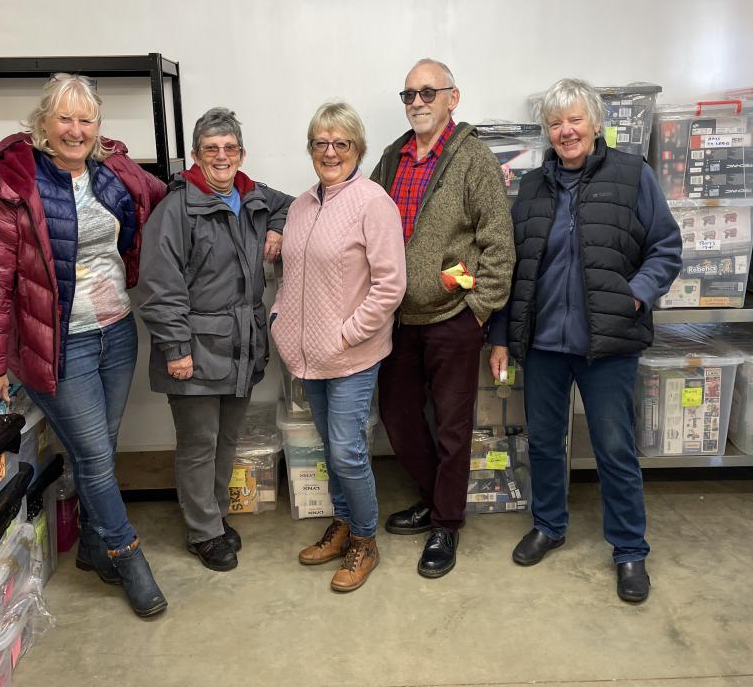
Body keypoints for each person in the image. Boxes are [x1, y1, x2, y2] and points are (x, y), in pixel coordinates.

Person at [0, 73, 168, 618]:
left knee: (97, 446)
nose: (75, 130)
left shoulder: (111, 173)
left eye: (86, 119)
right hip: (57, 343)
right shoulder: (16, 185)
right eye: (64, 118)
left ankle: (90, 547)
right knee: (98, 456)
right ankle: (128, 556)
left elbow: (160, 201)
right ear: (44, 123)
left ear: (98, 127)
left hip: (117, 333)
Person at [488, 77, 682, 604]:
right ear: (547, 132)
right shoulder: (530, 189)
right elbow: (513, 271)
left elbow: (665, 247)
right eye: (555, 123)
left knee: (615, 448)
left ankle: (629, 550)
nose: (566, 130)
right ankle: (549, 525)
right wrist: (502, 337)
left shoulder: (632, 176)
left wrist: (636, 296)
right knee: (546, 443)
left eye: (575, 119)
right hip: (546, 344)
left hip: (609, 344)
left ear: (596, 124)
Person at [370, 59, 514, 578]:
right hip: (398, 318)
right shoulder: (392, 158)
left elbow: (499, 243)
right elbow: (364, 219)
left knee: (454, 428)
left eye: (428, 92)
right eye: (409, 94)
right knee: (399, 417)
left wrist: (478, 309)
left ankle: (447, 526)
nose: (417, 102)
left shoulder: (474, 159)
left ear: (454, 97)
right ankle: (437, 501)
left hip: (454, 314)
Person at [135, 107, 292, 572]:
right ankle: (203, 531)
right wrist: (176, 350)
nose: (221, 157)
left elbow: (292, 205)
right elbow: (159, 287)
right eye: (211, 149)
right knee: (198, 444)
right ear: (195, 155)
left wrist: (279, 228)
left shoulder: (254, 196)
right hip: (196, 350)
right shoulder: (175, 210)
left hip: (241, 348)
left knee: (226, 440)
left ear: (241, 153)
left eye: (229, 148)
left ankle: (216, 518)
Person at [271, 102, 406, 592]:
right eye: (320, 143)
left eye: (340, 143)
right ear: (311, 150)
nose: (330, 152)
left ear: (357, 149)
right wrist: (280, 321)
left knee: (348, 452)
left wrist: (348, 332)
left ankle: (365, 541)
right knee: (331, 448)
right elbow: (293, 273)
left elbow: (390, 286)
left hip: (351, 355)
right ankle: (344, 524)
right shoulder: (303, 205)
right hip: (308, 355)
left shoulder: (373, 202)